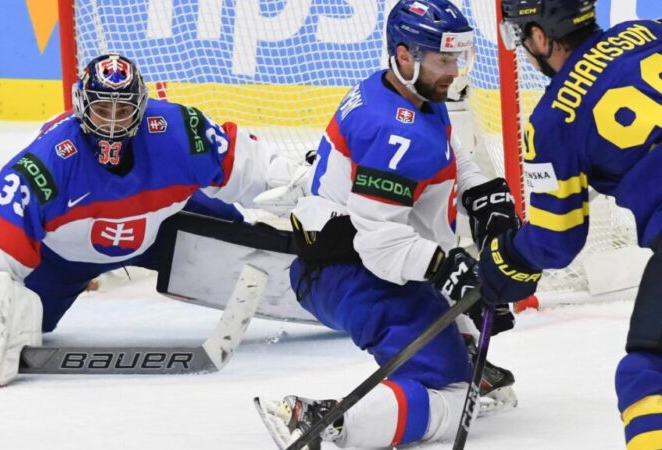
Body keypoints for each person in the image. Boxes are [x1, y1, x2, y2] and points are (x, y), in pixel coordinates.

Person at [0, 54, 288, 389]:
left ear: (141, 107)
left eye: (123, 109)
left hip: (163, 224)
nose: (112, 121)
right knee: (29, 325)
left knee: (245, 242)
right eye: (102, 108)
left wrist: (299, 189)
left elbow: (249, 167)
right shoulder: (44, 164)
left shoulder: (178, 129)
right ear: (81, 106)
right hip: (64, 259)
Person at [256, 1, 521, 448]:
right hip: (350, 273)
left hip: (358, 261)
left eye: (456, 57)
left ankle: (456, 345)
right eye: (443, 59)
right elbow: (378, 242)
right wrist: (445, 268)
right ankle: (329, 422)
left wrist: (480, 192)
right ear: (404, 55)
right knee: (455, 396)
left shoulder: (411, 93)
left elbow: (449, 157)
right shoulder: (395, 132)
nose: (453, 70)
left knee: (463, 321)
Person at [479, 1, 662, 448]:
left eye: (522, 36)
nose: (522, 48)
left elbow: (556, 240)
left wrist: (505, 260)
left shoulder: (551, 120)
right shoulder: (649, 30)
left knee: (647, 372)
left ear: (542, 37)